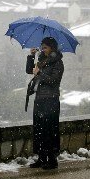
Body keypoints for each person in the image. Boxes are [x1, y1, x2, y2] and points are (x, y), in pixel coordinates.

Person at [26, 37, 64, 170]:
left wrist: (40, 73)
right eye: (42, 47)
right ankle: (41, 158)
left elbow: (54, 80)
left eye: (45, 47)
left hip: (51, 100)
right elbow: (29, 70)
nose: (43, 49)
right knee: (39, 130)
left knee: (50, 130)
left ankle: (52, 159)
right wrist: (31, 57)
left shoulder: (57, 63)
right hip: (40, 99)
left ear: (52, 48)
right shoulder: (42, 61)